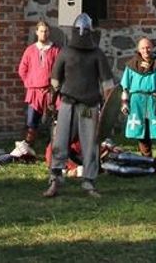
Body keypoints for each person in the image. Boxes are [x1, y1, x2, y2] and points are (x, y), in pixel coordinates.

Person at [43, 13, 114, 199]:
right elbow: (55, 79)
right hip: (68, 103)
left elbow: (107, 83)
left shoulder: (97, 54)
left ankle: (89, 181)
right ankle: (55, 179)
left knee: (90, 144)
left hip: (89, 105)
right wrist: (51, 99)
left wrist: (109, 104)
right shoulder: (66, 52)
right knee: (60, 142)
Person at [120, 36, 156, 164]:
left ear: (152, 48)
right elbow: (125, 87)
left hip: (155, 100)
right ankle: (146, 160)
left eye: (148, 47)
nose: (146, 50)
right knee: (141, 131)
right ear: (138, 50)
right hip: (137, 102)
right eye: (143, 48)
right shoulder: (131, 66)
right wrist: (124, 103)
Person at [16, 20, 59, 155]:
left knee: (53, 121)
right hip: (34, 91)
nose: (44, 33)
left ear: (49, 32)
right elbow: (22, 70)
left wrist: (53, 87)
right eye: (41, 31)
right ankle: (28, 148)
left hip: (50, 91)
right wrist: (31, 84)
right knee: (31, 122)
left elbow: (60, 70)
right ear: (36, 32)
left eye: (46, 31)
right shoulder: (30, 50)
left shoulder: (56, 50)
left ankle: (52, 148)